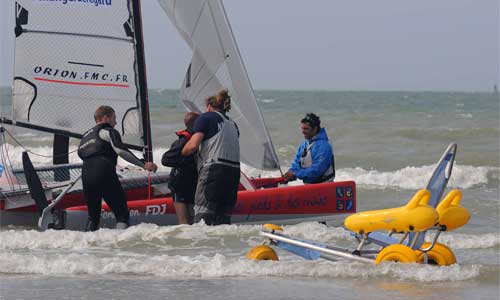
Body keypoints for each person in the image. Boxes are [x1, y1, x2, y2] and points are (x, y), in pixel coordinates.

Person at [77, 106, 157, 231]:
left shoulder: (85, 137)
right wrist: (143, 164)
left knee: (93, 217)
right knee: (122, 214)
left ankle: (88, 246)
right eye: (114, 118)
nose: (116, 122)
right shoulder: (108, 131)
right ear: (105, 118)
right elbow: (121, 150)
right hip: (103, 171)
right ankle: (121, 247)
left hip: (86, 175)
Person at [181, 89, 240, 225]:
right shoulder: (233, 124)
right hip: (233, 173)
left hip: (214, 171)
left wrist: (182, 152)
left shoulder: (205, 118)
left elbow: (193, 146)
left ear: (208, 106)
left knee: (203, 217)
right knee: (223, 219)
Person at [161, 112, 200, 225]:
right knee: (184, 221)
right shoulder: (183, 140)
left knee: (193, 220)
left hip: (191, 183)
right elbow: (166, 159)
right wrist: (188, 162)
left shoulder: (195, 138)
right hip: (179, 184)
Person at [283, 113, 335, 184]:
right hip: (309, 187)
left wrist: (296, 174)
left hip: (325, 186)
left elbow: (317, 170)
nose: (303, 131)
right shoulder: (303, 145)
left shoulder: (324, 146)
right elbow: (296, 163)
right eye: (302, 128)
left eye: (306, 129)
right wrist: (290, 173)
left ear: (315, 128)